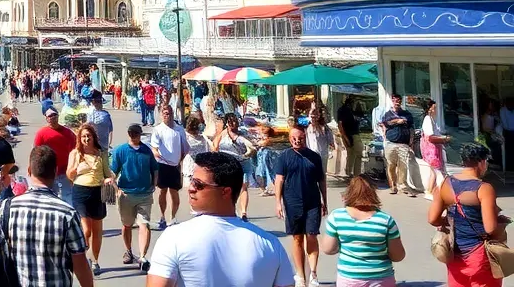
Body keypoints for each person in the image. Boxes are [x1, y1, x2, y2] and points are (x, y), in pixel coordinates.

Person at [145, 151, 295, 287]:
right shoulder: (271, 244)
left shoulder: (174, 238)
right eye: (191, 180)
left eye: (198, 184)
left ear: (225, 192)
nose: (191, 188)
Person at [0, 144, 93, 287]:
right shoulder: (67, 214)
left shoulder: (8, 207)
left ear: (29, 171)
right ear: (55, 172)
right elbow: (79, 263)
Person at [428, 141, 508, 287]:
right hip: (479, 254)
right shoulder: (484, 188)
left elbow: (433, 219)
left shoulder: (445, 183)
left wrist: (449, 220)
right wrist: (501, 224)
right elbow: (490, 228)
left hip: (454, 253)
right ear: (482, 162)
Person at [321, 176, 404, 287]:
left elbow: (328, 249)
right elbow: (398, 256)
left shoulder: (337, 217)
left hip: (350, 278)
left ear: (348, 193)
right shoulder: (385, 220)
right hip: (381, 277)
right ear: (373, 193)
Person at [275, 123, 328, 287]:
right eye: (294, 138)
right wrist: (278, 202)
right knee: (297, 238)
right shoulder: (284, 157)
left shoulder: (314, 157)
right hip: (292, 203)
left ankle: (313, 273)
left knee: (312, 235)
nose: (297, 141)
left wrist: (325, 201)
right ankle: (300, 275)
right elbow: (279, 180)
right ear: (290, 139)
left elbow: (321, 180)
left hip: (312, 202)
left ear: (305, 137)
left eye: (300, 138)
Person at [110, 123, 159, 272]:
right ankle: (129, 250)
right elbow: (113, 172)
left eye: (136, 133)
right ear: (128, 134)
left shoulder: (147, 151)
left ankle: (143, 256)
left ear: (140, 134)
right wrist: (116, 189)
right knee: (127, 225)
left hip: (144, 194)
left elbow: (155, 169)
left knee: (144, 224)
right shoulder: (120, 151)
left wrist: (154, 185)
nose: (134, 136)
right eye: (131, 133)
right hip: (126, 194)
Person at [66, 123, 108, 274]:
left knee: (97, 230)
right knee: (86, 230)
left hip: (97, 192)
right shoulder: (75, 154)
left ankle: (95, 261)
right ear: (79, 138)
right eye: (83, 136)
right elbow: (69, 175)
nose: (86, 139)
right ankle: (80, 258)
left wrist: (110, 180)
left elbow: (107, 172)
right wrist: (77, 168)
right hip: (80, 192)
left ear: (93, 137)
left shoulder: (100, 153)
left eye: (88, 136)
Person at [149, 104, 190, 229]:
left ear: (172, 114)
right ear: (162, 115)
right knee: (162, 191)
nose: (167, 116)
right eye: (165, 113)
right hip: (162, 165)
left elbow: (185, 148)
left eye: (169, 113)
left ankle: (172, 217)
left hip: (175, 166)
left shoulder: (179, 130)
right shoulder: (158, 129)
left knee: (174, 192)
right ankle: (162, 217)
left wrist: (180, 161)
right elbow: (154, 148)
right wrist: (160, 157)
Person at [212, 113, 253, 221]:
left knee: (244, 186)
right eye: (230, 122)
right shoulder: (223, 134)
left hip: (244, 162)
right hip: (230, 163)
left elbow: (252, 146)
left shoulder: (243, 133)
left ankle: (244, 212)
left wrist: (248, 153)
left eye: (235, 121)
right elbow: (214, 147)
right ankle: (231, 209)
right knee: (231, 188)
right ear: (226, 124)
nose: (233, 124)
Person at [379, 95, 422, 196]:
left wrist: (411, 142)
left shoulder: (406, 114)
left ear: (401, 102)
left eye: (398, 101)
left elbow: (411, 128)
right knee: (391, 165)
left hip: (403, 143)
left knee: (403, 165)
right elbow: (385, 124)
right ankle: (393, 185)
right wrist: (397, 121)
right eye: (395, 101)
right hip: (391, 143)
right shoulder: (388, 114)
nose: (397, 102)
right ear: (392, 101)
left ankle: (402, 186)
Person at [33, 107, 77, 204]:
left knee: (67, 198)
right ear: (46, 118)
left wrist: (74, 168)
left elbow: (75, 151)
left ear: (58, 116)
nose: (52, 118)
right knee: (48, 198)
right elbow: (36, 152)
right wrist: (33, 169)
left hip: (65, 172)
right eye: (49, 116)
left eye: (54, 115)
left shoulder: (68, 133)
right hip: (47, 171)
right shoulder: (41, 133)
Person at [421, 99, 451, 201]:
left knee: (434, 171)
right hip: (431, 148)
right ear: (430, 109)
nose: (436, 110)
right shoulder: (428, 119)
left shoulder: (431, 119)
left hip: (434, 147)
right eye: (434, 108)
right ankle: (432, 191)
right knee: (436, 171)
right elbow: (430, 137)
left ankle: (430, 191)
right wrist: (444, 139)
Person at [336, 96, 363, 178]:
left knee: (351, 154)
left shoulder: (349, 110)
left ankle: (349, 172)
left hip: (349, 134)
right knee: (358, 154)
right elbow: (340, 125)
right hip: (351, 134)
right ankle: (356, 174)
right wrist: (345, 137)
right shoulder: (345, 110)